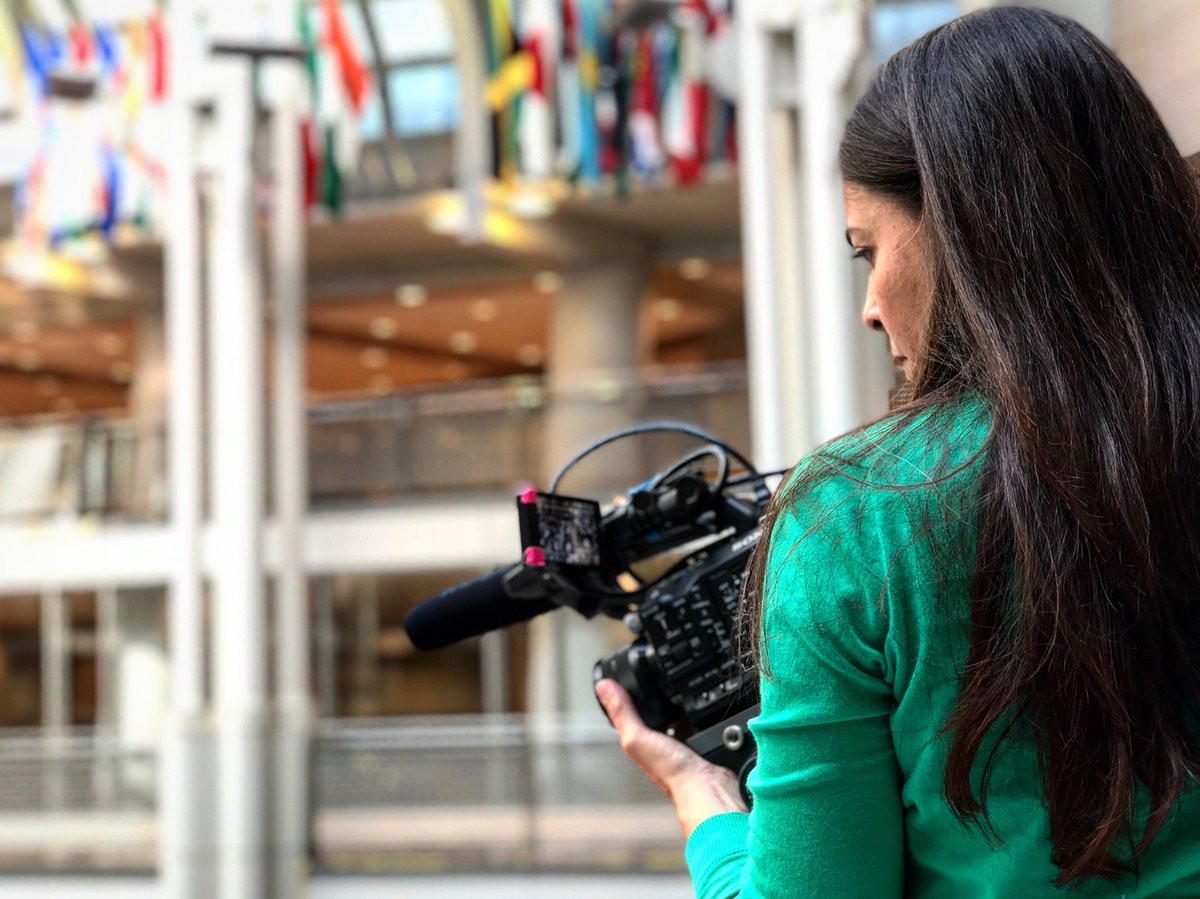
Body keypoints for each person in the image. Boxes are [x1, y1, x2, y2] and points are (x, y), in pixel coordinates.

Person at [595, 7, 1200, 896]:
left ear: (966, 230)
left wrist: (708, 813)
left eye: (869, 248)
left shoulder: (853, 513)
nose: (870, 306)